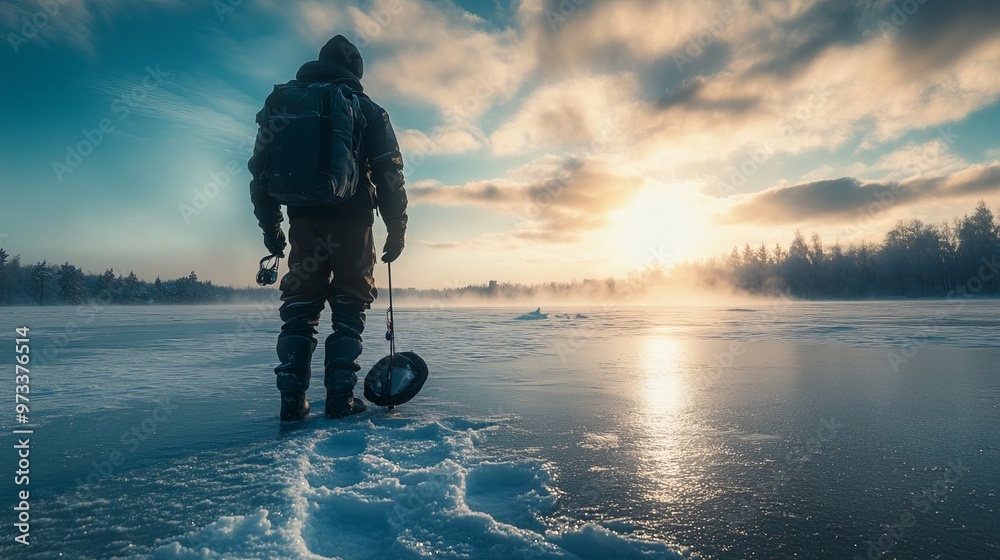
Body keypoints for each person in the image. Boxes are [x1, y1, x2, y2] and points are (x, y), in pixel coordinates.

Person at [248, 35, 408, 421]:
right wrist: (396, 227)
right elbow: (389, 172)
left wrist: (272, 230)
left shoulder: (282, 104)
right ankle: (340, 397)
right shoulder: (366, 108)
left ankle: (291, 399)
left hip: (303, 220)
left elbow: (259, 171)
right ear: (356, 72)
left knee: (301, 306)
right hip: (352, 221)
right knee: (350, 304)